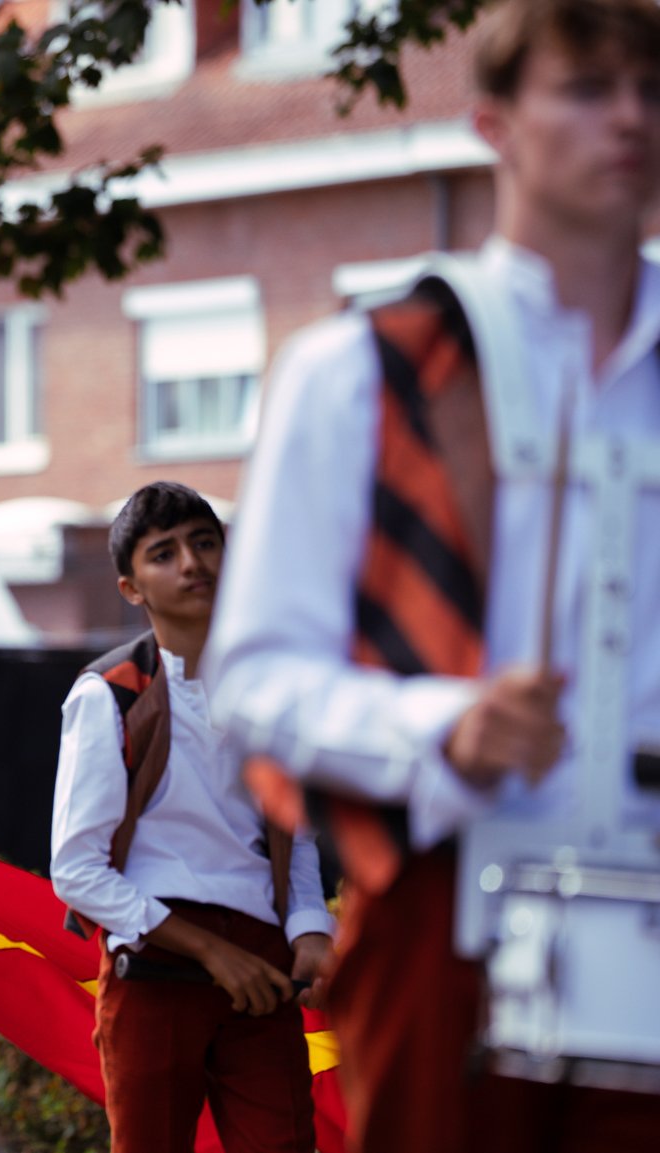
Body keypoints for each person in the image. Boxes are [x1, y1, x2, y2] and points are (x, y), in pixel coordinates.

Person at [205, 1, 660, 1148]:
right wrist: (437, 727)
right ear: (492, 123)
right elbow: (253, 678)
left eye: (650, 91)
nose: (629, 119)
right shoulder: (356, 369)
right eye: (587, 88)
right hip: (447, 914)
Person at [50, 483, 334, 1153]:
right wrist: (210, 950)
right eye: (164, 553)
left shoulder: (271, 691)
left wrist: (311, 926)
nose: (191, 564)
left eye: (205, 543)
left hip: (263, 971)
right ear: (131, 587)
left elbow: (295, 829)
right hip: (155, 965)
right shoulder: (110, 692)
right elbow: (76, 870)